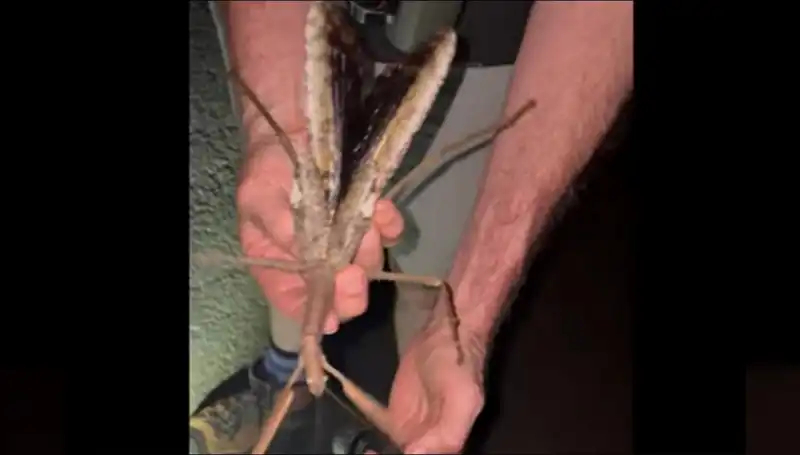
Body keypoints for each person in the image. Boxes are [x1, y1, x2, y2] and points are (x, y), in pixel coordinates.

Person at [189, 1, 633, 453]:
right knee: (285, 253)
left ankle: (290, 376)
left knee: (422, 263)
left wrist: (465, 328)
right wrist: (274, 131)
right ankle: (282, 373)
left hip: (492, 40)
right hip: (298, 46)